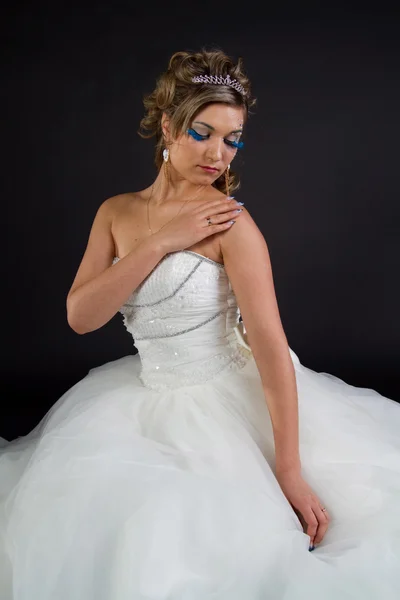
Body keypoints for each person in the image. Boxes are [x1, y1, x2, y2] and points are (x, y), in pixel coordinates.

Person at [0, 48, 399, 600]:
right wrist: (163, 241)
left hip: (227, 399)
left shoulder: (230, 223)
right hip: (144, 395)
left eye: (232, 139)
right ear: (168, 125)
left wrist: (287, 469)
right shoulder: (115, 212)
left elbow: (270, 344)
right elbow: (81, 317)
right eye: (202, 133)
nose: (218, 154)